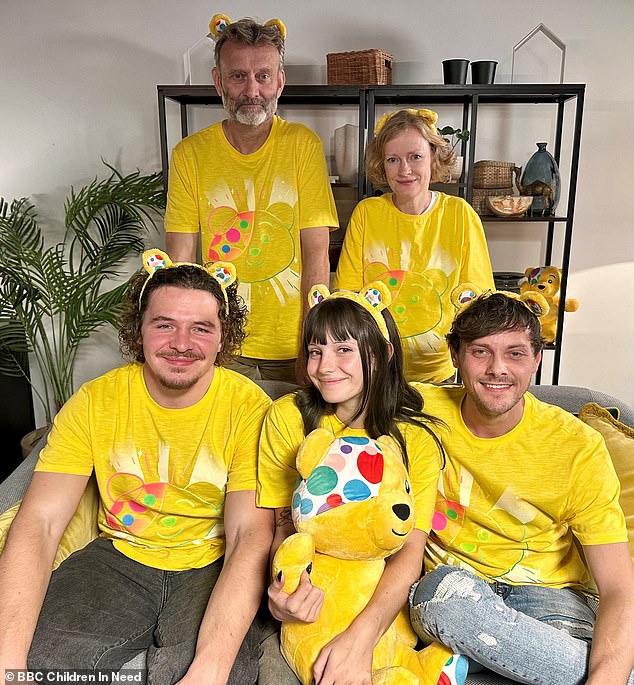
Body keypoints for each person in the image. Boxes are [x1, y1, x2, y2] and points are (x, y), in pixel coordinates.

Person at [0, 249, 273, 684]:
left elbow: (249, 536)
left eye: (201, 328)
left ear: (223, 339)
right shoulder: (94, 401)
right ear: (139, 331)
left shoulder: (250, 408)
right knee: (44, 659)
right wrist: (6, 664)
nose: (182, 343)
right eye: (164, 324)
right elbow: (40, 522)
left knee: (227, 672)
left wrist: (211, 668)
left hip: (213, 561)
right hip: (118, 556)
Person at [408, 290, 634, 684]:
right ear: (456, 356)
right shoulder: (415, 408)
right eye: (480, 352)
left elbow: (618, 586)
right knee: (442, 598)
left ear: (536, 359)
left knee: (606, 661)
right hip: (454, 592)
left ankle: (468, 658)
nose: (498, 369)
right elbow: (331, 386)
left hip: (554, 599)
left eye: (515, 353)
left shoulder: (577, 446)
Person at [257, 283, 460, 684]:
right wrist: (283, 592)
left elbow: (409, 553)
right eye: (315, 351)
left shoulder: (414, 438)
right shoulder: (287, 417)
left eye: (344, 350)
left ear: (382, 355)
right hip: (315, 602)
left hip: (381, 603)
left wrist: (359, 640)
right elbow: (281, 526)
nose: (325, 366)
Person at [164, 14, 338, 384]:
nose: (251, 91)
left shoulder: (303, 146)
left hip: (293, 344)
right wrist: (186, 342)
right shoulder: (189, 154)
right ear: (218, 81)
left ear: (280, 81)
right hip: (219, 344)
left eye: (263, 75)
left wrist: (313, 342)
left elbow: (316, 254)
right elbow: (178, 262)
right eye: (238, 76)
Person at [333, 108, 495, 384]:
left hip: (439, 375)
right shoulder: (367, 213)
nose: (404, 170)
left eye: (415, 157)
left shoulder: (461, 215)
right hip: (374, 373)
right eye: (393, 160)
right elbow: (348, 297)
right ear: (381, 164)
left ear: (433, 157)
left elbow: (479, 302)